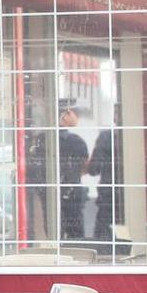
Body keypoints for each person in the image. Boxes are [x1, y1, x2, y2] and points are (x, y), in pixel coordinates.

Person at [58, 101, 89, 241]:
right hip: (73, 193)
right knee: (76, 233)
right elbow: (86, 167)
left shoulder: (44, 138)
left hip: (54, 194)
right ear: (68, 113)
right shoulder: (76, 141)